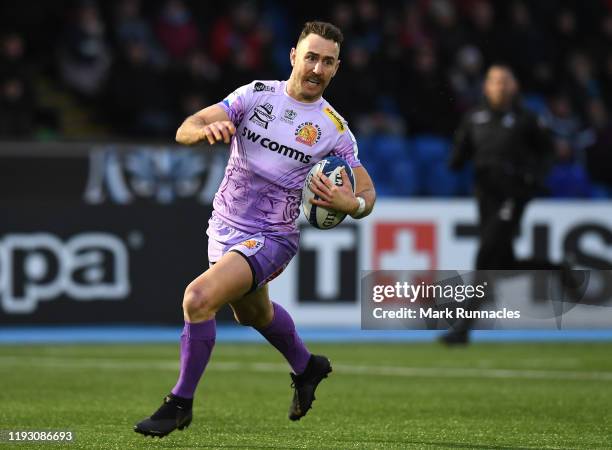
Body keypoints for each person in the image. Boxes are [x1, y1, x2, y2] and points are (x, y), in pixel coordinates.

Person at [134, 21, 376, 437]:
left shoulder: (334, 130)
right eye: (312, 57)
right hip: (225, 226)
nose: (318, 68)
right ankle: (307, 366)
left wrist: (350, 204)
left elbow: (367, 191)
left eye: (328, 62)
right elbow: (186, 126)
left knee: (198, 298)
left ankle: (179, 403)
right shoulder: (254, 95)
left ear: (336, 69)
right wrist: (203, 130)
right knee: (253, 315)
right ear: (294, 58)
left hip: (273, 236)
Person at [442, 64, 561, 345]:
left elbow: (548, 151)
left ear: (514, 87)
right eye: (494, 81)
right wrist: (457, 155)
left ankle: (462, 328)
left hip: (513, 195)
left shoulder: (526, 118)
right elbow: (458, 157)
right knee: (502, 262)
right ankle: (554, 270)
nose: (499, 86)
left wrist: (533, 178)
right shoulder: (475, 118)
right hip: (486, 196)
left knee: (486, 255)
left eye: (505, 81)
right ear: (486, 87)